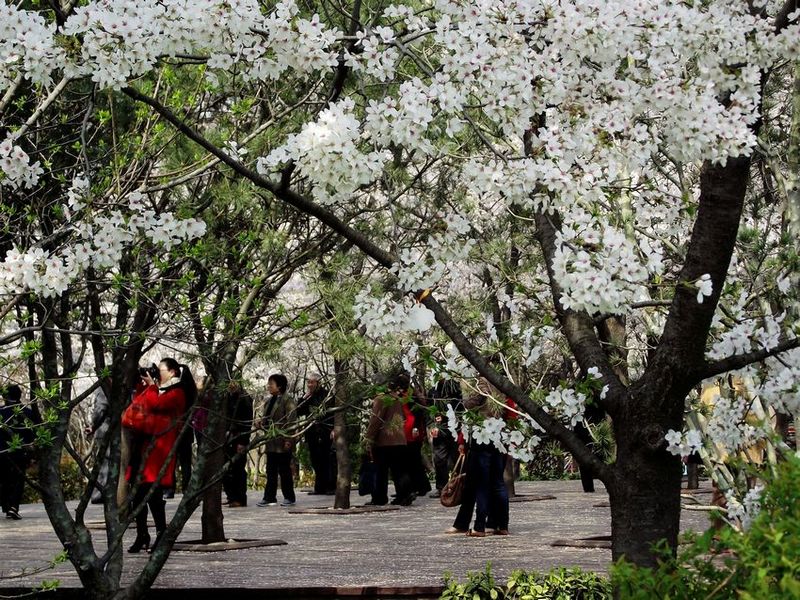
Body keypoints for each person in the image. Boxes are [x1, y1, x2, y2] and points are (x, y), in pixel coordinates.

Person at [125, 359, 196, 553]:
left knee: (153, 495)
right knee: (137, 495)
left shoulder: (177, 393)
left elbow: (155, 404)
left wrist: (151, 387)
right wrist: (143, 383)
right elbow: (141, 401)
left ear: (173, 372)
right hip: (144, 448)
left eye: (161, 370)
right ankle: (142, 535)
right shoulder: (159, 389)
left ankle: (161, 533)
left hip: (159, 450)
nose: (158, 373)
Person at [449, 377, 510, 537]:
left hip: (482, 435)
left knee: (480, 484)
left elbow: (472, 403)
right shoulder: (502, 382)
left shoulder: (482, 381)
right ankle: (502, 525)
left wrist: (463, 402)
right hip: (498, 436)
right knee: (498, 483)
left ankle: (479, 526)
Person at [364, 370, 414, 506]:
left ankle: (380, 497)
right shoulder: (395, 398)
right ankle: (405, 494)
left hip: (385, 441)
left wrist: (368, 438)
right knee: (399, 470)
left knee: (381, 471)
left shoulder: (381, 399)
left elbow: (376, 420)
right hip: (399, 439)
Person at [257, 374, 297, 507]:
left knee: (284, 470)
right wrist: (259, 423)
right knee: (270, 470)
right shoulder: (269, 401)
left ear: (279, 386)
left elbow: (291, 422)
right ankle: (269, 497)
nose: (268, 386)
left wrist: (288, 439)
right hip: (271, 442)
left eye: (271, 384)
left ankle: (289, 497)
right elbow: (266, 419)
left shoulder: (288, 400)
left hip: (282, 441)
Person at [0, 385, 38, 520]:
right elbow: (36, 431)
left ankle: (6, 504)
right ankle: (13, 506)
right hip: (20, 451)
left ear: (5, 396)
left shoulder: (1, 412)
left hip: (2, 451)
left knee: (4, 478)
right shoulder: (26, 412)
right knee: (18, 479)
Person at [297, 373, 335, 495]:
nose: (309, 385)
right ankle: (320, 487)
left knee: (326, 459)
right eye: (308, 382)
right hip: (312, 432)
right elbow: (298, 411)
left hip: (326, 431)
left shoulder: (327, 395)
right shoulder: (308, 397)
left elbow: (333, 414)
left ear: (319, 383)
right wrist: (303, 398)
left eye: (312, 382)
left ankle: (330, 487)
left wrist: (334, 429)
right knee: (315, 460)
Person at [428, 379, 462, 498]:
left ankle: (458, 485)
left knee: (456, 459)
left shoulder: (456, 389)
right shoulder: (433, 392)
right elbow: (429, 409)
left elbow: (461, 406)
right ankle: (441, 487)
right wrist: (432, 424)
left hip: (455, 429)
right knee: (439, 459)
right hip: (440, 430)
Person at [223, 381, 253, 508]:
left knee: (238, 470)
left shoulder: (244, 398)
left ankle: (240, 498)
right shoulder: (228, 397)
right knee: (227, 469)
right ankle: (231, 496)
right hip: (228, 438)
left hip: (239, 437)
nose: (231, 386)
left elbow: (247, 422)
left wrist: (243, 441)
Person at [84, 377, 112, 504]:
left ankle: (99, 493)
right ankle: (101, 492)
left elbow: (100, 408)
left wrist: (93, 425)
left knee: (104, 461)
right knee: (106, 461)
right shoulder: (120, 387)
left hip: (104, 428)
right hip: (111, 428)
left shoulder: (104, 388)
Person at [403, 391, 432, 497]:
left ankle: (420, 487)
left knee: (413, 460)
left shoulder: (410, 395)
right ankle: (418, 486)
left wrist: (415, 427)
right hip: (409, 430)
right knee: (413, 460)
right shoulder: (405, 395)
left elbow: (418, 412)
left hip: (413, 431)